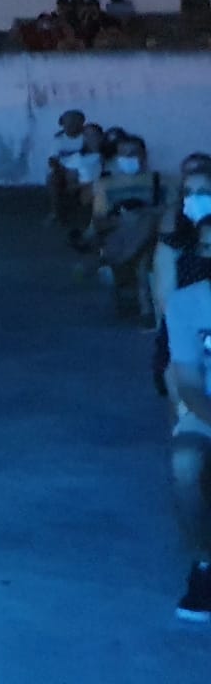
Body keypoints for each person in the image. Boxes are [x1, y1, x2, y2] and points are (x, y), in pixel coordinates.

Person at [154, 155, 211, 621]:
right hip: (207, 408)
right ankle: (204, 562)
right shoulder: (188, 304)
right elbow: (189, 381)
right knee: (187, 460)